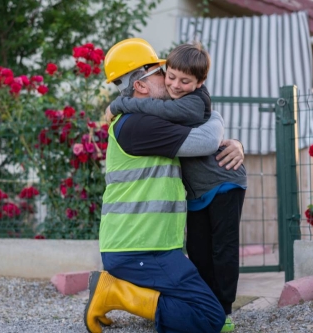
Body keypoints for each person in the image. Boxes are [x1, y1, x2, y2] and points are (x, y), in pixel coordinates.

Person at [83, 38, 244, 333]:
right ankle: (117, 293)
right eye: (160, 72)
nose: (170, 79)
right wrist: (216, 117)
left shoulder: (149, 120)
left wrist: (235, 143)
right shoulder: (138, 125)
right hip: (138, 250)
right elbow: (206, 139)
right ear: (142, 85)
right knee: (211, 318)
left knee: (201, 308)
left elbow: (199, 134)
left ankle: (123, 291)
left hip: (155, 248)